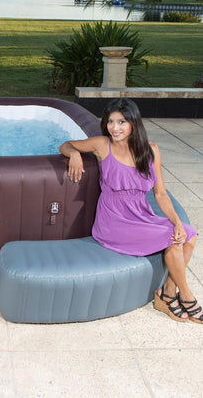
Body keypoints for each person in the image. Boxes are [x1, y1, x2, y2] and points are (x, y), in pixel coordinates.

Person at [59, 98, 201, 323]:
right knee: (175, 241)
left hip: (141, 215)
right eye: (111, 122)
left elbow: (161, 194)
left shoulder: (151, 150)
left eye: (122, 122)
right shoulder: (102, 144)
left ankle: (167, 293)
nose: (114, 128)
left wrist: (175, 221)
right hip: (114, 222)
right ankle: (185, 295)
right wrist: (74, 154)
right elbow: (66, 145)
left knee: (188, 235)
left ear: (134, 123)